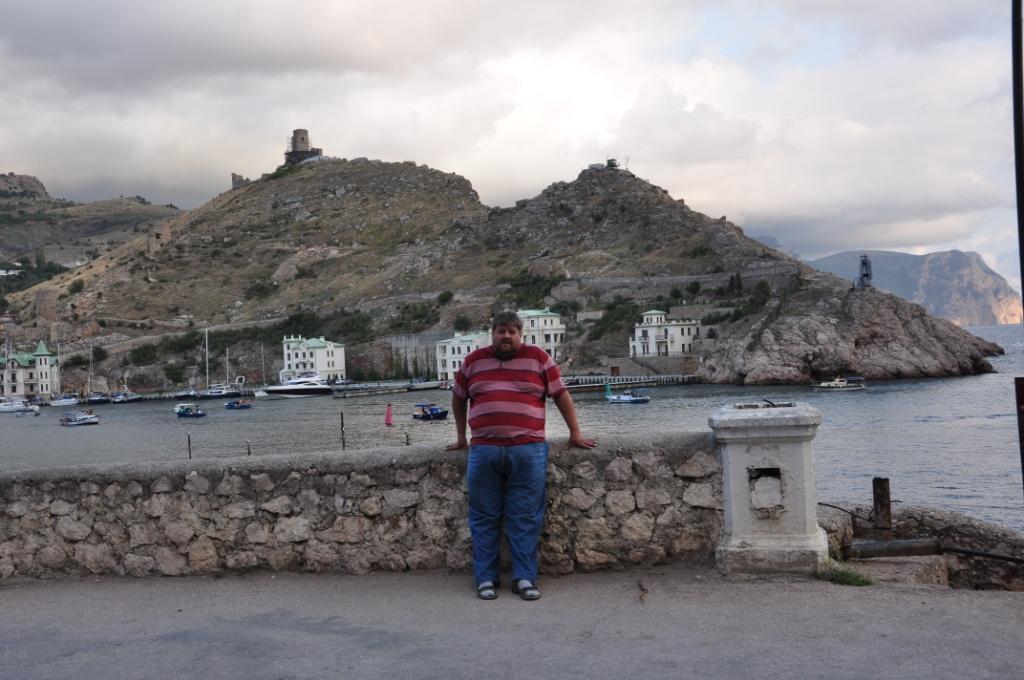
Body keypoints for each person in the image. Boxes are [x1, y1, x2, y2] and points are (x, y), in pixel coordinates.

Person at [446, 311, 595, 601]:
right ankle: (486, 579)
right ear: (492, 333)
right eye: (501, 331)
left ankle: (524, 578)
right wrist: (462, 437)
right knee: (483, 517)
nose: (506, 336)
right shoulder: (473, 361)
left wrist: (575, 433)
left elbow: (561, 395)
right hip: (484, 451)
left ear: (520, 334)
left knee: (525, 517)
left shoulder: (539, 358)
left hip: (528, 450)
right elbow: (459, 397)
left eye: (512, 331)